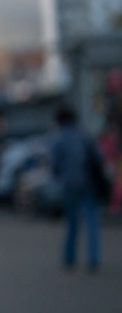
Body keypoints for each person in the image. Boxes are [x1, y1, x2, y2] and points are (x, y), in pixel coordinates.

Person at [50, 103, 103, 272]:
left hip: (69, 184)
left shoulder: (58, 138)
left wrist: (61, 176)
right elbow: (97, 157)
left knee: (72, 222)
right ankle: (93, 257)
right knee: (91, 221)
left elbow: (54, 164)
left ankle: (69, 257)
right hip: (87, 182)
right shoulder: (83, 135)